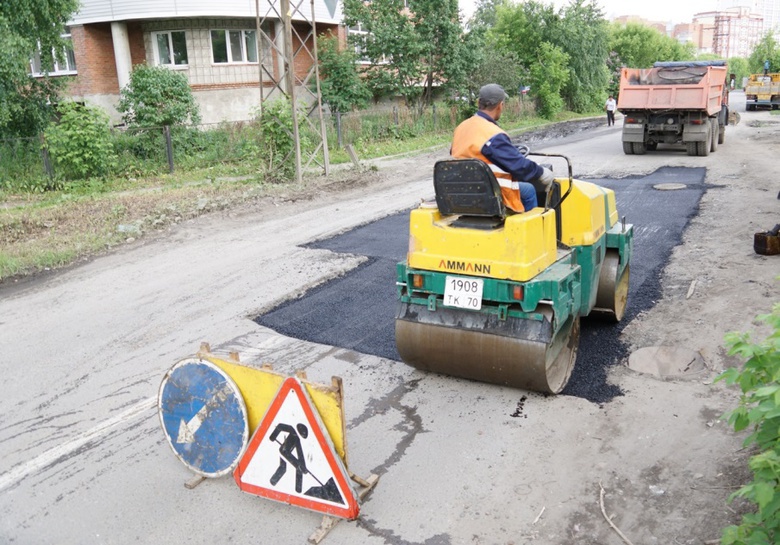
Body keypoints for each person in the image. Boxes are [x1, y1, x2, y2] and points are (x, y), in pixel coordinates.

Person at [451, 84, 554, 213]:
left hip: (464, 188)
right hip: (488, 191)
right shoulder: (492, 134)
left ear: (479, 102)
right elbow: (518, 165)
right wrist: (541, 173)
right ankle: (532, 229)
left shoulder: (461, 127)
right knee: (529, 190)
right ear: (500, 105)